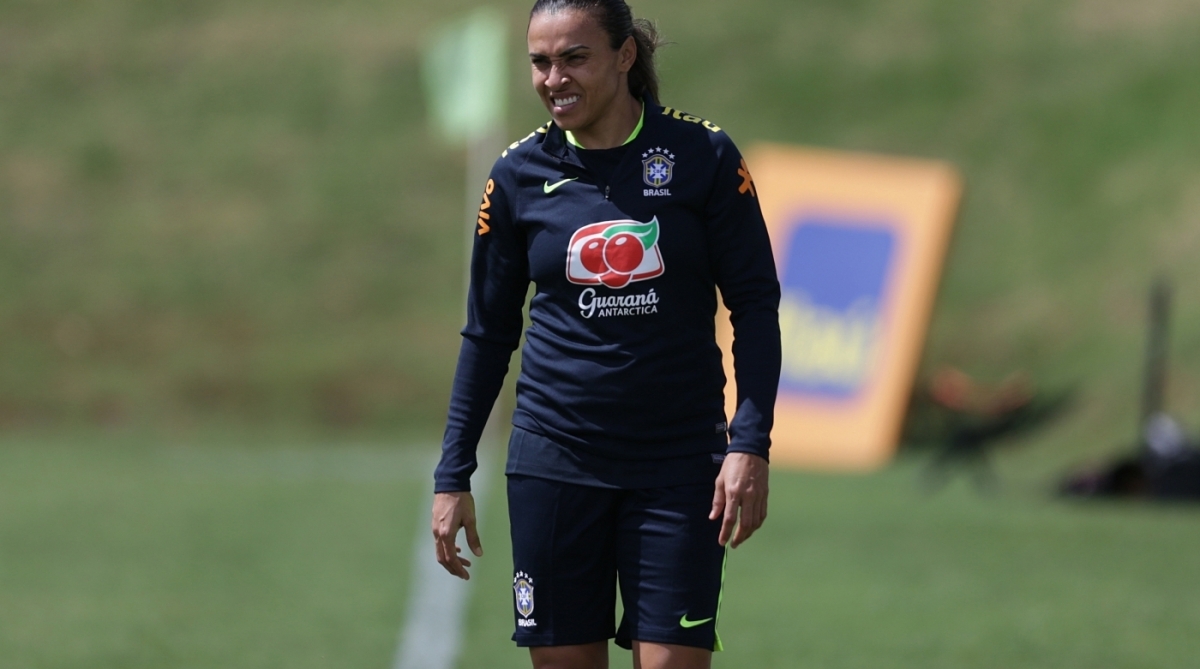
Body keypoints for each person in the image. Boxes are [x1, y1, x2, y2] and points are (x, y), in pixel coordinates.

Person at [431, 1, 781, 667]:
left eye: (574, 58)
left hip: (680, 466)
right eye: (540, 61)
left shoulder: (702, 156)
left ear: (625, 57)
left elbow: (756, 306)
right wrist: (453, 475)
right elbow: (486, 335)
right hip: (555, 462)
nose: (553, 78)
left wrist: (751, 442)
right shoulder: (515, 177)